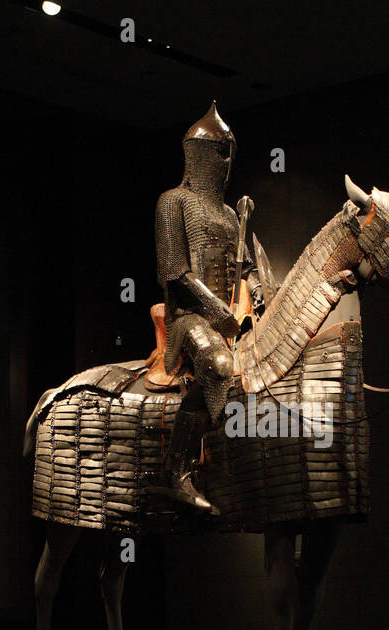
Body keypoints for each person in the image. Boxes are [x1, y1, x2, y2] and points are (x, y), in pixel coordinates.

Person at [152, 102, 263, 513]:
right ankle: (175, 472)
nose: (227, 160)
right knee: (217, 364)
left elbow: (245, 265)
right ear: (199, 156)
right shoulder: (173, 202)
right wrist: (215, 309)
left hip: (229, 316)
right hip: (190, 317)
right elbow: (174, 272)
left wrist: (257, 289)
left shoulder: (232, 213)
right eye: (220, 151)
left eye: (230, 151)